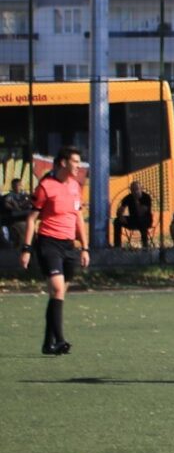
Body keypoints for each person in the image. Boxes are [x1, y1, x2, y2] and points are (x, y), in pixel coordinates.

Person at [20, 147, 88, 356]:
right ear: (62, 163)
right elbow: (31, 219)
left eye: (79, 161)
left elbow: (78, 218)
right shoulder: (46, 186)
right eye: (75, 161)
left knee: (58, 295)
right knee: (57, 289)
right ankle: (59, 340)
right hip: (49, 243)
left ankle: (48, 343)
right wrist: (27, 249)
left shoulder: (76, 186)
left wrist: (84, 247)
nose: (79, 165)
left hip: (69, 247)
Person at [114, 180, 155, 248]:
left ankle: (145, 245)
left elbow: (141, 212)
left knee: (141, 220)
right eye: (133, 190)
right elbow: (121, 209)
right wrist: (120, 215)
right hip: (133, 219)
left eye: (137, 189)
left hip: (146, 219)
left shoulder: (146, 197)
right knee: (117, 221)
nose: (135, 191)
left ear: (141, 188)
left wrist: (136, 201)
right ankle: (117, 245)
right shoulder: (128, 197)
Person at [1, 176, 31, 249]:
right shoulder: (9, 196)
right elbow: (6, 204)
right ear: (12, 186)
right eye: (16, 186)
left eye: (19, 185)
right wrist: (14, 208)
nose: (18, 187)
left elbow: (30, 202)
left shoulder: (24, 195)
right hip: (14, 215)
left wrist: (27, 202)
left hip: (24, 213)